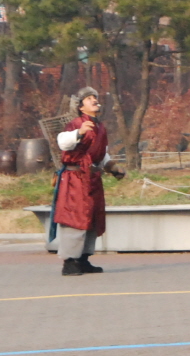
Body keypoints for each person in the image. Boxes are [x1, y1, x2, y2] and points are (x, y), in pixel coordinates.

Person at [51, 88, 125, 276]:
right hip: (75, 180)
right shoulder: (75, 124)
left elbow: (101, 153)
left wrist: (112, 168)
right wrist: (79, 133)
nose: (95, 101)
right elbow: (62, 142)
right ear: (81, 106)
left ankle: (83, 259)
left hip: (91, 179)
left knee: (91, 220)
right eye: (89, 98)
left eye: (95, 98)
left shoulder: (100, 127)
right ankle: (69, 262)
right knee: (74, 220)